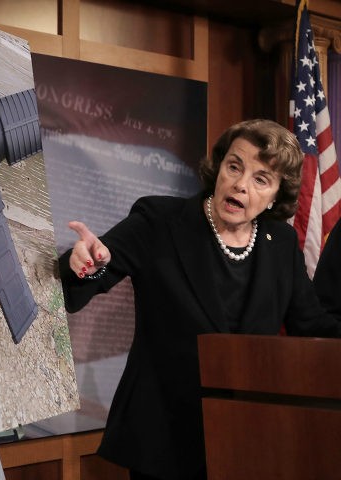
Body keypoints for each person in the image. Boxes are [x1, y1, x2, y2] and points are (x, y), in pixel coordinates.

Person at [58, 119, 341, 480]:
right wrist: (83, 264)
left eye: (260, 179)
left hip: (248, 440)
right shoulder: (159, 221)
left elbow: (313, 326)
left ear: (275, 195)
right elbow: (85, 278)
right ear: (219, 166)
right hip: (164, 437)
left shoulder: (281, 245)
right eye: (235, 166)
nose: (240, 184)